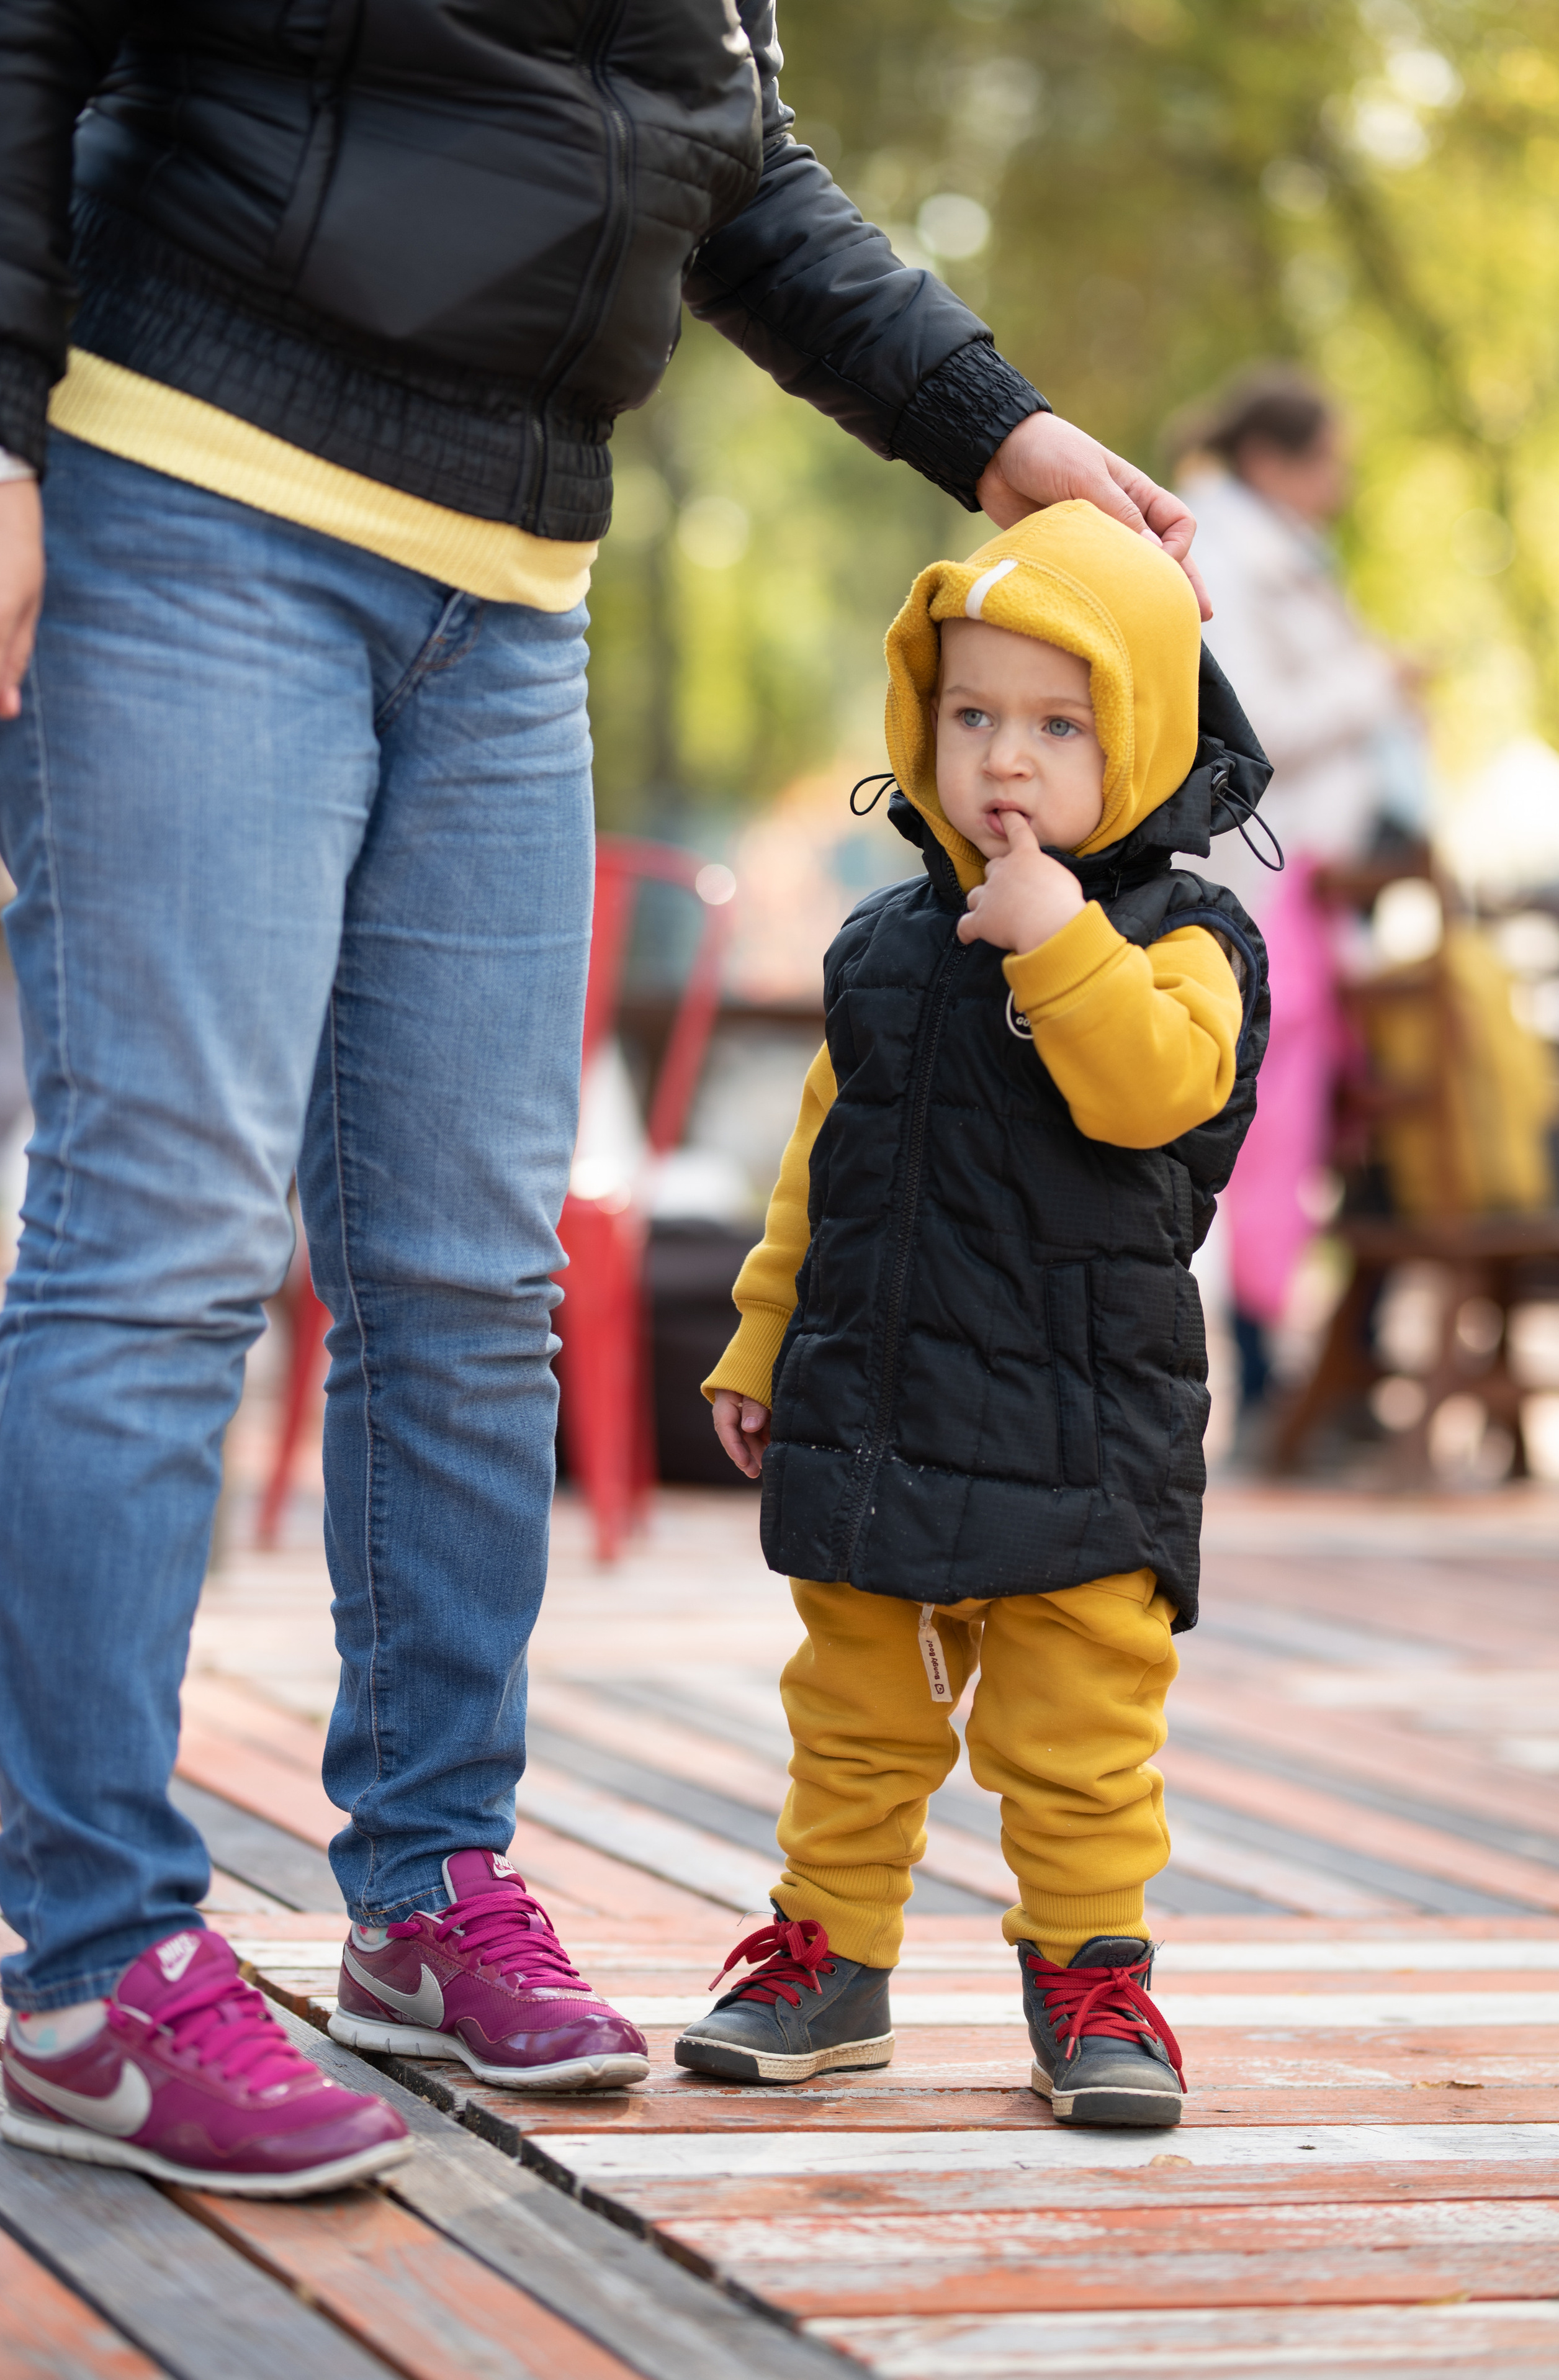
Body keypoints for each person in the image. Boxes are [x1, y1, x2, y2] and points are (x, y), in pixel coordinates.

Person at [0, 5, 1208, 2195]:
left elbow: (714, 156)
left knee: (468, 1275)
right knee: (162, 1241)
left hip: (512, 580)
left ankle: (431, 1886)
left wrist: (992, 421)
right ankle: (92, 1963)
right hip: (197, 494)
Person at [688, 502, 1270, 2127]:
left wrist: (1063, 946)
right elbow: (827, 1158)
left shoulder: (1183, 939)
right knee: (854, 1715)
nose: (1006, 758)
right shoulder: (882, 947)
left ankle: (1091, 1980)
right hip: (878, 1405)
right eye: (973, 717)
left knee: (1078, 1732)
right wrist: (760, 1340)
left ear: (1143, 737)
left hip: (1083, 1426)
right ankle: (827, 1964)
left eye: (1061, 725)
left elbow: (1157, 1096)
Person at [1170, 366, 1428, 1417]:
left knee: (1337, 1119)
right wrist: (1378, 686)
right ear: (1274, 461)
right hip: (1275, 893)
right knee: (1261, 1118)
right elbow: (1254, 726)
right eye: (1329, 462)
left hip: (1330, 898)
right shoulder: (1229, 557)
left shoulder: (1289, 560)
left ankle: (1331, 1372)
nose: (1342, 485)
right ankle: (1274, 1370)